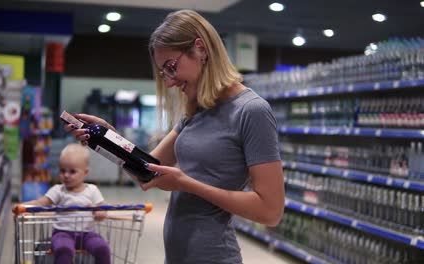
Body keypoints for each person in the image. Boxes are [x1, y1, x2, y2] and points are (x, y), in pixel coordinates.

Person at [65, 9, 284, 264]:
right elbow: (147, 171)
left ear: (200, 49)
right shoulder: (196, 110)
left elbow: (271, 211)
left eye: (171, 67)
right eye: (163, 73)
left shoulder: (252, 111)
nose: (169, 82)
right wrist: (106, 137)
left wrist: (186, 183)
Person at [16, 143, 111, 264]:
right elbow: (41, 202)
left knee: (102, 248)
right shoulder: (58, 190)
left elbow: (102, 207)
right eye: (62, 170)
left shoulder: (92, 190)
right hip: (62, 233)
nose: (66, 175)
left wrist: (101, 213)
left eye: (72, 172)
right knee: (63, 250)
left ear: (85, 173)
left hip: (87, 234)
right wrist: (23, 207)